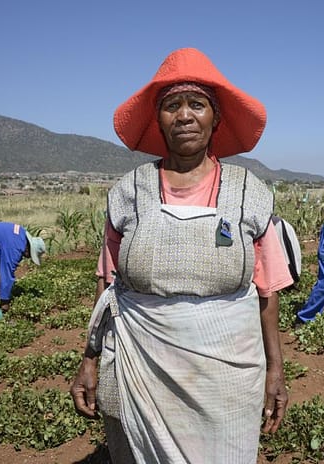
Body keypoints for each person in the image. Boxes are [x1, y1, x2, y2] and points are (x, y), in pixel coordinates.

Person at [71, 47, 291, 463]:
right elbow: (106, 286)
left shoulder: (249, 192)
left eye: (197, 104)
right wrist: (89, 359)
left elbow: (268, 293)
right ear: (159, 120)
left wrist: (275, 371)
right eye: (172, 105)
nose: (185, 115)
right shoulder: (129, 192)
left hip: (227, 375)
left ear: (216, 118)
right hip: (139, 366)